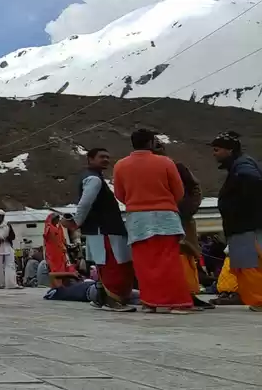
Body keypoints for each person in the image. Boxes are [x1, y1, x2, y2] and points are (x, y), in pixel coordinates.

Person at [113, 129, 192, 313]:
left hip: (138, 218)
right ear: (151, 142)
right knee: (169, 260)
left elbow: (119, 194)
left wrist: (136, 203)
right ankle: (177, 302)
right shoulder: (165, 162)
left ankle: (150, 302)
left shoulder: (120, 165)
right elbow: (178, 191)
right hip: (165, 216)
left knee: (143, 262)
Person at [68, 147, 135, 311]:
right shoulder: (94, 179)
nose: (106, 159)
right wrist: (75, 222)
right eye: (101, 157)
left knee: (104, 264)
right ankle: (112, 301)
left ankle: (101, 298)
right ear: (90, 159)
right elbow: (85, 203)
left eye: (107, 157)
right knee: (112, 264)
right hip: (105, 229)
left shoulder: (92, 177)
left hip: (100, 229)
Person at [152, 141, 214, 310]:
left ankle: (189, 293)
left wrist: (185, 211)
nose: (157, 150)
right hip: (161, 220)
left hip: (181, 218)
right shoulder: (149, 171)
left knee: (185, 254)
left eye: (159, 146)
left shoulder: (176, 167)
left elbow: (195, 188)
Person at [210, 131, 262, 312]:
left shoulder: (243, 166)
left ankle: (259, 300)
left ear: (230, 150)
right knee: (248, 263)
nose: (214, 153)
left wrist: (242, 209)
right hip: (244, 224)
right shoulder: (240, 165)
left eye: (217, 149)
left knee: (249, 264)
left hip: (245, 225)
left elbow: (253, 182)